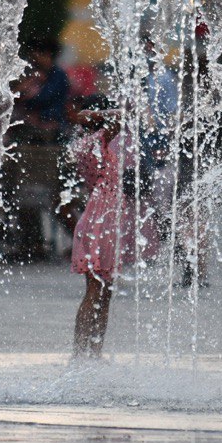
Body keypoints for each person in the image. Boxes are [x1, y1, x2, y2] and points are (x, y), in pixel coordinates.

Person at [69, 107, 157, 358]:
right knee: (96, 291)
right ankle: (79, 354)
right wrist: (112, 111)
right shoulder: (94, 142)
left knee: (105, 292)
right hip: (100, 221)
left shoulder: (89, 144)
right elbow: (120, 121)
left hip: (104, 219)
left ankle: (94, 353)